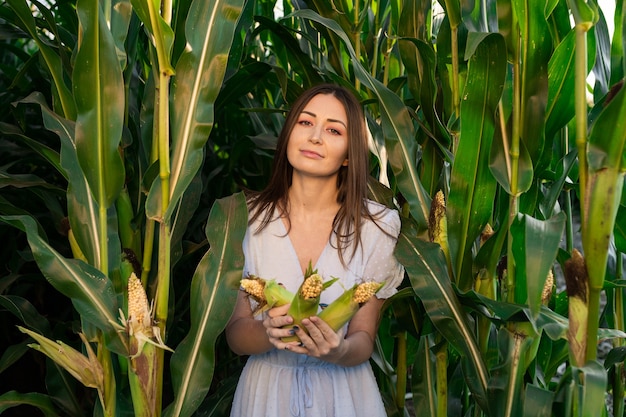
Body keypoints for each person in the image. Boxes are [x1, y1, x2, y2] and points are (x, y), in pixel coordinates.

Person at [225, 83, 405, 417]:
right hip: (266, 397)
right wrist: (268, 333)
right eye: (305, 123)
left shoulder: (378, 227)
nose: (315, 137)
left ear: (350, 154)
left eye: (334, 130)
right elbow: (236, 334)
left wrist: (339, 351)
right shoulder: (242, 220)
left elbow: (364, 337)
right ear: (288, 134)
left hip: (344, 396)